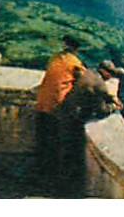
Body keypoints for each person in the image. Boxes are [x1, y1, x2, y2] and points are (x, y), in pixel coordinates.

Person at [34, 35, 86, 182]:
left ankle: (41, 170)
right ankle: (56, 176)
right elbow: (83, 80)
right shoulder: (74, 63)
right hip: (56, 104)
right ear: (76, 49)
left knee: (43, 138)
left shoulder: (55, 57)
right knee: (58, 140)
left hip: (42, 100)